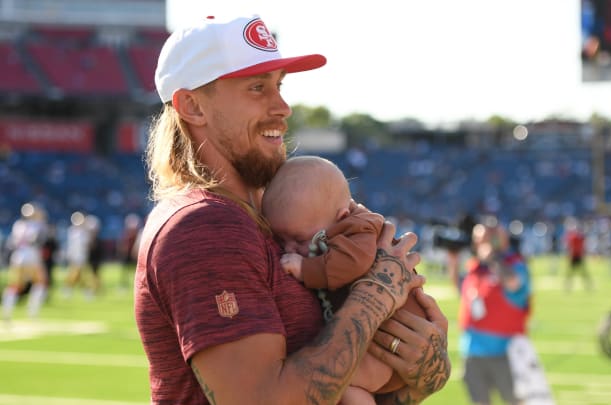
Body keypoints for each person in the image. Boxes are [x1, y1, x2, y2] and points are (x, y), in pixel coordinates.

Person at [134, 13, 450, 405]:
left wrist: (416, 376)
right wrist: (376, 296)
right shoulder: (206, 225)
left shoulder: (275, 215)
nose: (283, 107)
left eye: (280, 85)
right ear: (193, 106)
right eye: (257, 88)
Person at [261, 155, 426, 404]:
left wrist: (306, 269)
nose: (290, 250)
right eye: (282, 241)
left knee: (340, 380)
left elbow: (351, 263)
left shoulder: (360, 228)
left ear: (341, 215)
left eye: (300, 240)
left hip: (390, 346)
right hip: (381, 344)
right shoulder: (330, 223)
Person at [458, 223, 531, 405]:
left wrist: (494, 259)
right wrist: (452, 260)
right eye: (477, 240)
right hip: (472, 350)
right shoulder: (475, 267)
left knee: (515, 401)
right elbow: (464, 293)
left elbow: (514, 284)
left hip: (506, 351)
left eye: (484, 240)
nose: (479, 244)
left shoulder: (515, 265)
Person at [2, 202, 49, 322]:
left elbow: (13, 242)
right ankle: (32, 311)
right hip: (31, 257)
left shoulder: (18, 225)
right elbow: (39, 238)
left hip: (19, 257)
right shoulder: (36, 225)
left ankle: (7, 312)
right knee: (40, 283)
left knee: (15, 286)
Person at [564, 219, 592, 291]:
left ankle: (569, 287)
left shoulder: (574, 236)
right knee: (575, 273)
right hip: (576, 256)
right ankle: (569, 287)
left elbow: (570, 246)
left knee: (579, 273)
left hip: (576, 256)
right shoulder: (576, 236)